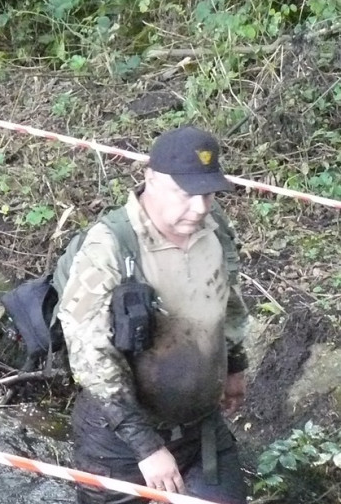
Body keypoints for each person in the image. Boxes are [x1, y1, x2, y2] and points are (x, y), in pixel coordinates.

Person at [56, 126, 249, 504]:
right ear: (151, 180)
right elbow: (89, 354)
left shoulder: (215, 230)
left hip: (201, 430)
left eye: (208, 193)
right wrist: (146, 447)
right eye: (186, 194)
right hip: (118, 444)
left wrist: (235, 368)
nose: (200, 207)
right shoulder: (107, 247)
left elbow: (229, 302)